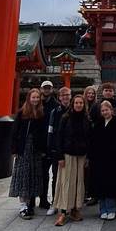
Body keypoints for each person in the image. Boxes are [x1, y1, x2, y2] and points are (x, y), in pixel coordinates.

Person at [52, 92, 90, 226]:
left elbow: (89, 139)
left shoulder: (86, 119)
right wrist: (60, 156)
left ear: (84, 105)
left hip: (81, 154)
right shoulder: (65, 118)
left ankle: (75, 209)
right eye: (76, 103)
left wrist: (88, 156)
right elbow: (59, 137)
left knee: (79, 182)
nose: (79, 105)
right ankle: (63, 211)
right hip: (68, 154)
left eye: (81, 103)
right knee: (66, 182)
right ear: (73, 104)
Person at [9, 88, 48, 219]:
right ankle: (23, 206)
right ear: (29, 98)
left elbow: (43, 134)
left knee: (33, 175)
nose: (35, 99)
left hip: (36, 149)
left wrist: (43, 149)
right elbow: (15, 132)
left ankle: (30, 204)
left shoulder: (42, 113)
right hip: (24, 148)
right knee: (23, 176)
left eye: (37, 97)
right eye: (33, 97)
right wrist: (14, 149)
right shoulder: (22, 113)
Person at [88, 98, 116, 219]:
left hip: (112, 159)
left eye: (106, 110)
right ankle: (103, 209)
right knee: (100, 184)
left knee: (110, 184)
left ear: (111, 110)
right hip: (99, 159)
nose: (105, 112)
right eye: (102, 110)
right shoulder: (98, 123)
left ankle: (111, 208)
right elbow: (93, 141)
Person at [44, 85, 71, 214]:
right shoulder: (55, 112)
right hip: (57, 149)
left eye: (67, 95)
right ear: (59, 97)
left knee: (69, 177)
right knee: (56, 176)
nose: (66, 97)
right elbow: (50, 131)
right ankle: (55, 202)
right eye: (63, 95)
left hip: (71, 149)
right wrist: (50, 148)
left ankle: (68, 203)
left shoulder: (75, 109)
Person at [38, 79, 57, 209]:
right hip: (40, 144)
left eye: (49, 88)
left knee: (55, 174)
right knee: (41, 174)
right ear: (41, 89)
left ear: (52, 89)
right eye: (45, 88)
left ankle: (55, 199)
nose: (46, 90)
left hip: (52, 144)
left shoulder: (56, 105)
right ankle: (42, 199)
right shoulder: (35, 103)